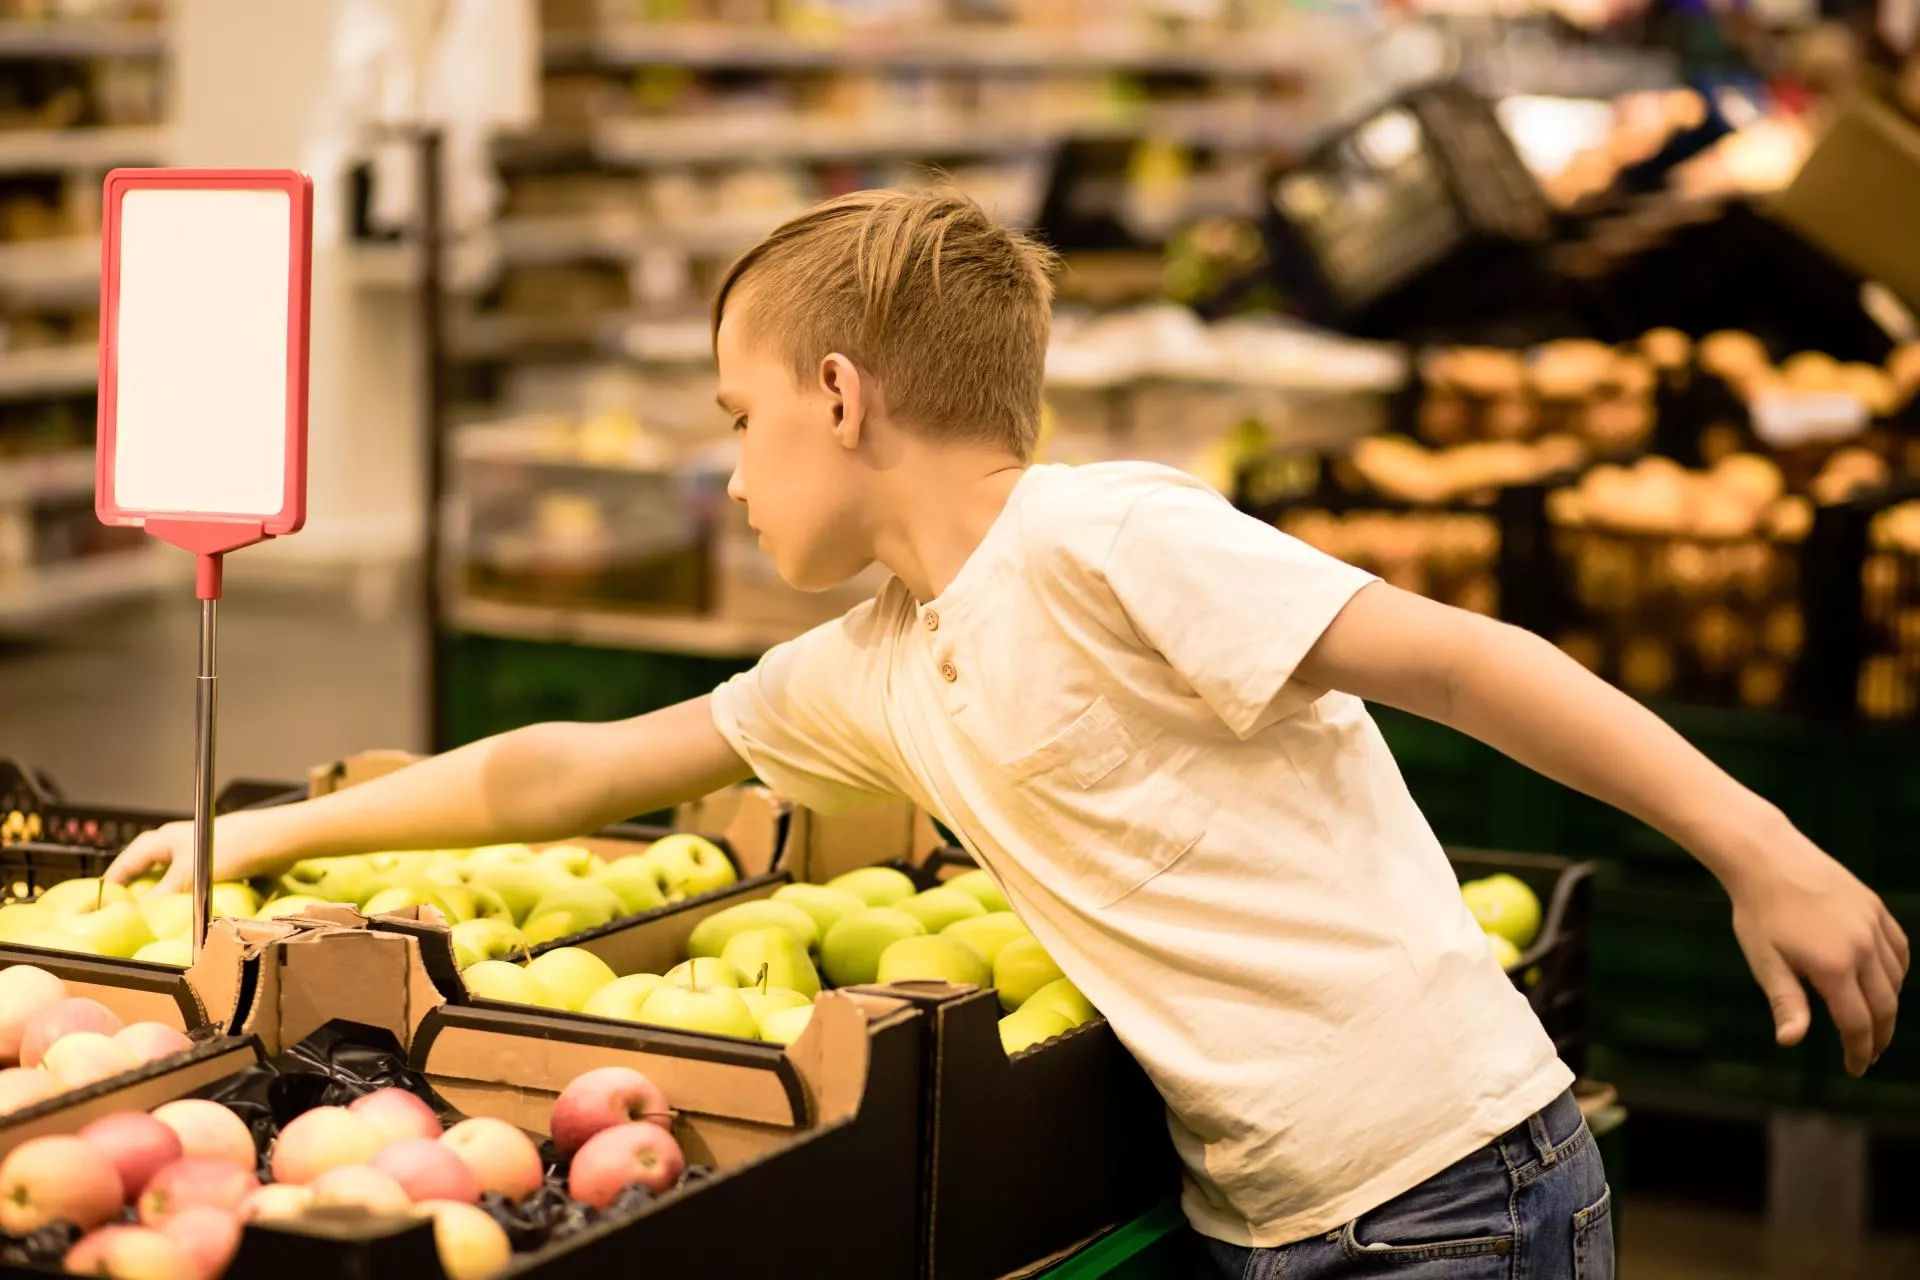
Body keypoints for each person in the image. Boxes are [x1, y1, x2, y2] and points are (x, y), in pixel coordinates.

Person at [109, 188, 1906, 1279]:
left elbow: (1469, 661)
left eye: (740, 419)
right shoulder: (879, 661)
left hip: (1451, 1195)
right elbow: (564, 766)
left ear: (840, 394)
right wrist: (253, 838)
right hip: (1273, 1214)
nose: (728, 476)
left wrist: (1765, 846)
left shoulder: (1111, 536)